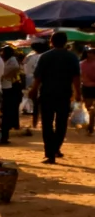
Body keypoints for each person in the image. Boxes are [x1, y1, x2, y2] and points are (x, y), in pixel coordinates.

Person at [32, 31, 82, 164]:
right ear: (66, 42)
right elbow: (76, 77)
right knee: (61, 123)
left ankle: (50, 153)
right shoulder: (72, 57)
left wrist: (33, 89)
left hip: (47, 94)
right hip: (64, 94)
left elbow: (38, 77)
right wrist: (78, 93)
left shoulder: (45, 57)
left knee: (47, 124)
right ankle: (55, 148)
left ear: (51, 42)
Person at [0, 44, 24, 145]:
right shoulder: (9, 60)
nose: (1, 54)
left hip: (12, 88)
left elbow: (4, 73)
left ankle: (4, 136)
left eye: (2, 52)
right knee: (8, 112)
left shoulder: (12, 61)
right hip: (10, 88)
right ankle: (5, 133)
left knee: (7, 112)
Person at [24, 40, 48, 134]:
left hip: (31, 82)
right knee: (44, 105)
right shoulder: (45, 56)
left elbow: (25, 70)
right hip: (44, 82)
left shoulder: (29, 57)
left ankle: (34, 123)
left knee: (35, 105)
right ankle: (43, 123)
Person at [82, 44, 95, 136]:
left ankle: (91, 125)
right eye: (89, 53)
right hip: (87, 87)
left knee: (91, 108)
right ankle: (91, 123)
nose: (89, 54)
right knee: (88, 107)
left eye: (92, 53)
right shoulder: (82, 64)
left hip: (91, 87)